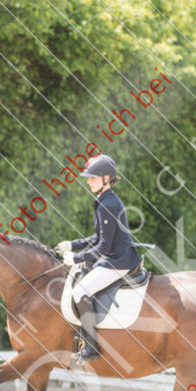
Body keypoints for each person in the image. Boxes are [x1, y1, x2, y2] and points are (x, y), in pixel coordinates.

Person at [54, 154, 142, 364]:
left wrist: (76, 257)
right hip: (114, 256)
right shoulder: (105, 200)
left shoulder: (108, 203)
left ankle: (91, 347)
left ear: (106, 178)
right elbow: (99, 237)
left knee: (80, 291)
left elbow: (104, 246)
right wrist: (72, 244)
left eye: (93, 177)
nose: (88, 181)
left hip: (117, 261)